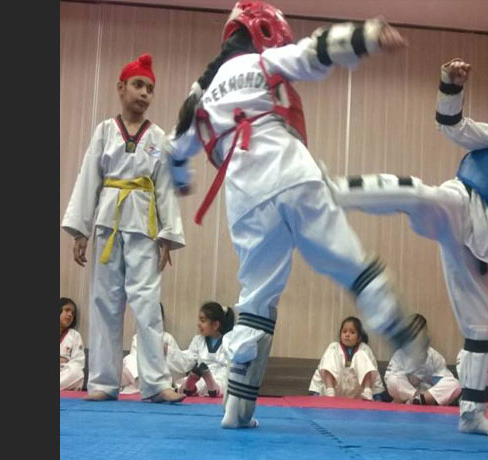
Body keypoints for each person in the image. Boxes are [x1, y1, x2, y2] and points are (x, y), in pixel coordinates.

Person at [165, 1, 428, 428]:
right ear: (264, 32)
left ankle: (237, 410)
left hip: (244, 196)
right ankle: (392, 322)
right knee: (345, 260)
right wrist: (366, 36)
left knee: (256, 300)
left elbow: (176, 151)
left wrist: (180, 178)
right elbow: (313, 52)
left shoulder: (201, 97)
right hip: (291, 171)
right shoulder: (263, 60)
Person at [324, 59, 488, 436]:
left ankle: (473, 415)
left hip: (479, 253)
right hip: (460, 208)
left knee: (482, 331)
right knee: (419, 194)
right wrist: (451, 86)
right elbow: (454, 127)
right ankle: (331, 192)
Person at [61, 53, 186, 403]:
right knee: (105, 302)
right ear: (120, 88)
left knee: (147, 304)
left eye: (150, 88)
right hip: (106, 224)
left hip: (144, 228)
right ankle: (102, 381)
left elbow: (165, 187)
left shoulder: (158, 137)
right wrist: (80, 231)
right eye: (138, 85)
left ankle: (156, 383)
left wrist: (167, 236)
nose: (144, 93)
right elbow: (89, 179)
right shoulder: (104, 131)